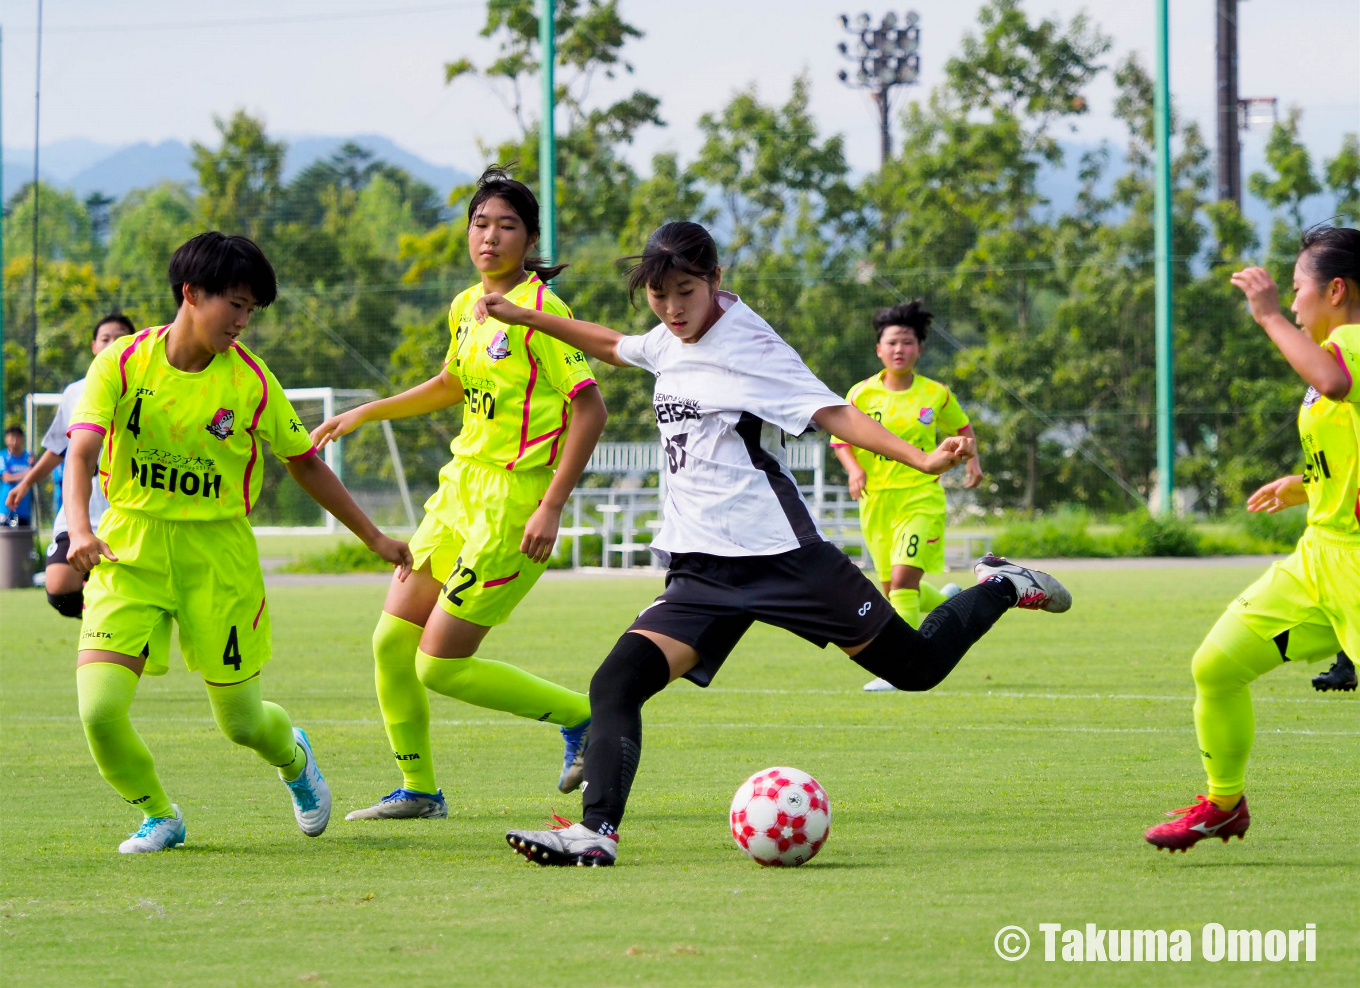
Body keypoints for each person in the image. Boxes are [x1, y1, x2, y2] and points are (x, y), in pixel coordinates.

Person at [486, 221, 1072, 867]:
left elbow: (834, 413)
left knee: (916, 669)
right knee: (616, 684)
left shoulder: (752, 345)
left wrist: (922, 461)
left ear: (714, 280)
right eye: (659, 295)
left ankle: (1003, 584)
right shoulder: (668, 339)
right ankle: (596, 833)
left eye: (685, 291)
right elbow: (613, 344)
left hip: (781, 556)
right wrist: (522, 315)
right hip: (703, 569)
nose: (673, 308)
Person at [64, 232, 413, 854]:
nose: (244, 321)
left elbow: (305, 463)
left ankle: (294, 758)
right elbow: (82, 450)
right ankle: (159, 815)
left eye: (252, 309)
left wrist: (373, 537)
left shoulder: (251, 383)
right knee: (99, 709)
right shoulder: (119, 363)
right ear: (190, 294)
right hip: (129, 551)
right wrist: (80, 527)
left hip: (217, 558)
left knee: (243, 723)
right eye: (236, 304)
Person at [310, 166, 608, 822]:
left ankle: (584, 718)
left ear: (529, 240)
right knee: (390, 643)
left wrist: (551, 504)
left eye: (507, 226)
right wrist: (368, 411)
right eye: (480, 223)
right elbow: (451, 383)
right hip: (457, 494)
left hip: (513, 503)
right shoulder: (467, 306)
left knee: (438, 666)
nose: (490, 236)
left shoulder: (542, 312)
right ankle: (420, 791)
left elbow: (591, 409)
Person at [1145, 226, 1360, 853]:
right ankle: (1223, 803)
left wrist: (1266, 316)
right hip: (1317, 557)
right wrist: (1308, 483)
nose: (1292, 304)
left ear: (1337, 290)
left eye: (1298, 291)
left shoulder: (1349, 344)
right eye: (1285, 297)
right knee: (1216, 665)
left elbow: (1335, 383)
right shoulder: (1334, 350)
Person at [831, 301, 983, 691]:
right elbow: (841, 438)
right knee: (892, 588)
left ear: (920, 349)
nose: (900, 349)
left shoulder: (935, 395)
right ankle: (948, 598)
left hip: (921, 498)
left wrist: (973, 462)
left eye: (908, 342)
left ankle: (900, 668)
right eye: (892, 342)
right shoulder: (861, 395)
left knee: (900, 584)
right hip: (877, 501)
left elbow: (962, 429)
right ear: (879, 350)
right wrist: (855, 469)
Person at [5, 313, 138, 616]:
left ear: (132, 345)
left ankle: (109, 634)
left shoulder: (146, 390)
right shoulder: (75, 392)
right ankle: (97, 621)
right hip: (81, 506)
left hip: (126, 506)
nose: (112, 343)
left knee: (125, 590)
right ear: (94, 346)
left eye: (121, 338)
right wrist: (25, 483)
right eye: (106, 338)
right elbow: (57, 449)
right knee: (60, 589)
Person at [1, 426, 33, 527]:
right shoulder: (3, 457)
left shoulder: (28, 458)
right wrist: (28, 474)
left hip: (23, 509)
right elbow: (6, 478)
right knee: (6, 539)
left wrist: (34, 467)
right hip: (6, 509)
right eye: (12, 437)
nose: (15, 440)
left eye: (18, 437)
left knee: (22, 538)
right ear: (6, 439)